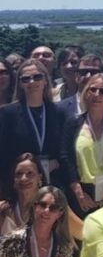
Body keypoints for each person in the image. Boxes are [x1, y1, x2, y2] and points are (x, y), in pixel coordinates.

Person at [59, 74, 103, 218]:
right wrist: (78, 192)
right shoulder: (72, 124)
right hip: (80, 194)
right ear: (86, 94)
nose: (97, 94)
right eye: (93, 90)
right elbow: (65, 157)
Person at [0, 59, 68, 189]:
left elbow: (66, 150)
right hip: (19, 184)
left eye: (37, 77)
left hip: (53, 183)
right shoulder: (7, 114)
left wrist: (58, 161)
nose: (32, 82)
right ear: (20, 84)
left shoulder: (60, 113)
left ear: (45, 80)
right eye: (26, 79)